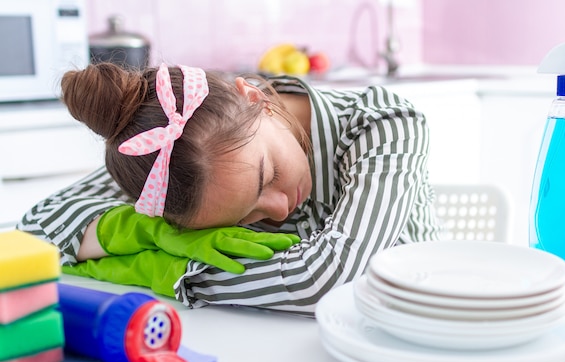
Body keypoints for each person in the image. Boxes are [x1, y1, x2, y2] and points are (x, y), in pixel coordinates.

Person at [17, 62, 441, 316]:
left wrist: (164, 270)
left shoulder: (382, 124)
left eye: (268, 174)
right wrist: (143, 232)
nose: (277, 210)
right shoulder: (172, 163)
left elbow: (328, 278)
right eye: (245, 218)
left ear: (255, 97)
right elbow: (33, 231)